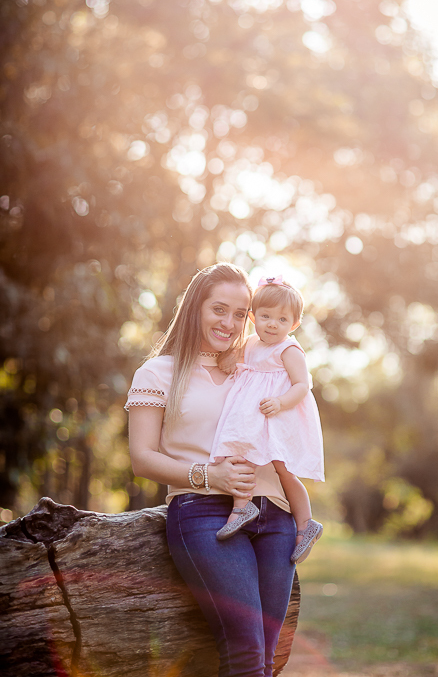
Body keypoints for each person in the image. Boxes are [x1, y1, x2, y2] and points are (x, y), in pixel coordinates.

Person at [126, 262, 297, 677]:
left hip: (273, 514)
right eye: (219, 309)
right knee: (246, 652)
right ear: (195, 308)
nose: (230, 322)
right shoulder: (158, 372)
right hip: (203, 513)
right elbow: (142, 457)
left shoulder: (253, 369)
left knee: (269, 657)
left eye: (240, 314)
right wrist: (209, 475)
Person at [210, 276, 324, 564]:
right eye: (266, 316)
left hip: (273, 415)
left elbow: (302, 385)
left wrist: (280, 402)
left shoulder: (288, 349)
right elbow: (232, 362)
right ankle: (241, 507)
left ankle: (306, 522)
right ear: (252, 317)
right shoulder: (249, 343)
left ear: (294, 324)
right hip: (249, 417)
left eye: (282, 319)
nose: (273, 324)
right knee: (239, 455)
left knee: (283, 470)